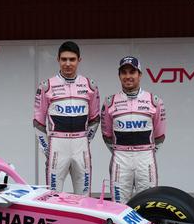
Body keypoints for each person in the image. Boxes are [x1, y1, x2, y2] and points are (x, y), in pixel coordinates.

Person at [33, 41, 100, 194]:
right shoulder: (46, 86)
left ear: (79, 60)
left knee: (84, 195)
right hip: (57, 145)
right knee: (53, 195)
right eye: (64, 59)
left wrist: (85, 140)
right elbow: (38, 122)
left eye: (72, 59)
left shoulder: (90, 86)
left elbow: (95, 119)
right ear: (58, 60)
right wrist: (47, 148)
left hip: (81, 145)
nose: (68, 64)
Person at [101, 56, 166, 203]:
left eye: (132, 72)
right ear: (119, 76)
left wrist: (147, 152)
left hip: (146, 158)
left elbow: (160, 135)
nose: (128, 76)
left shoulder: (154, 101)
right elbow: (106, 134)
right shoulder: (110, 102)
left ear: (140, 75)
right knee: (119, 205)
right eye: (124, 72)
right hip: (120, 158)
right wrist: (120, 151)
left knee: (148, 203)